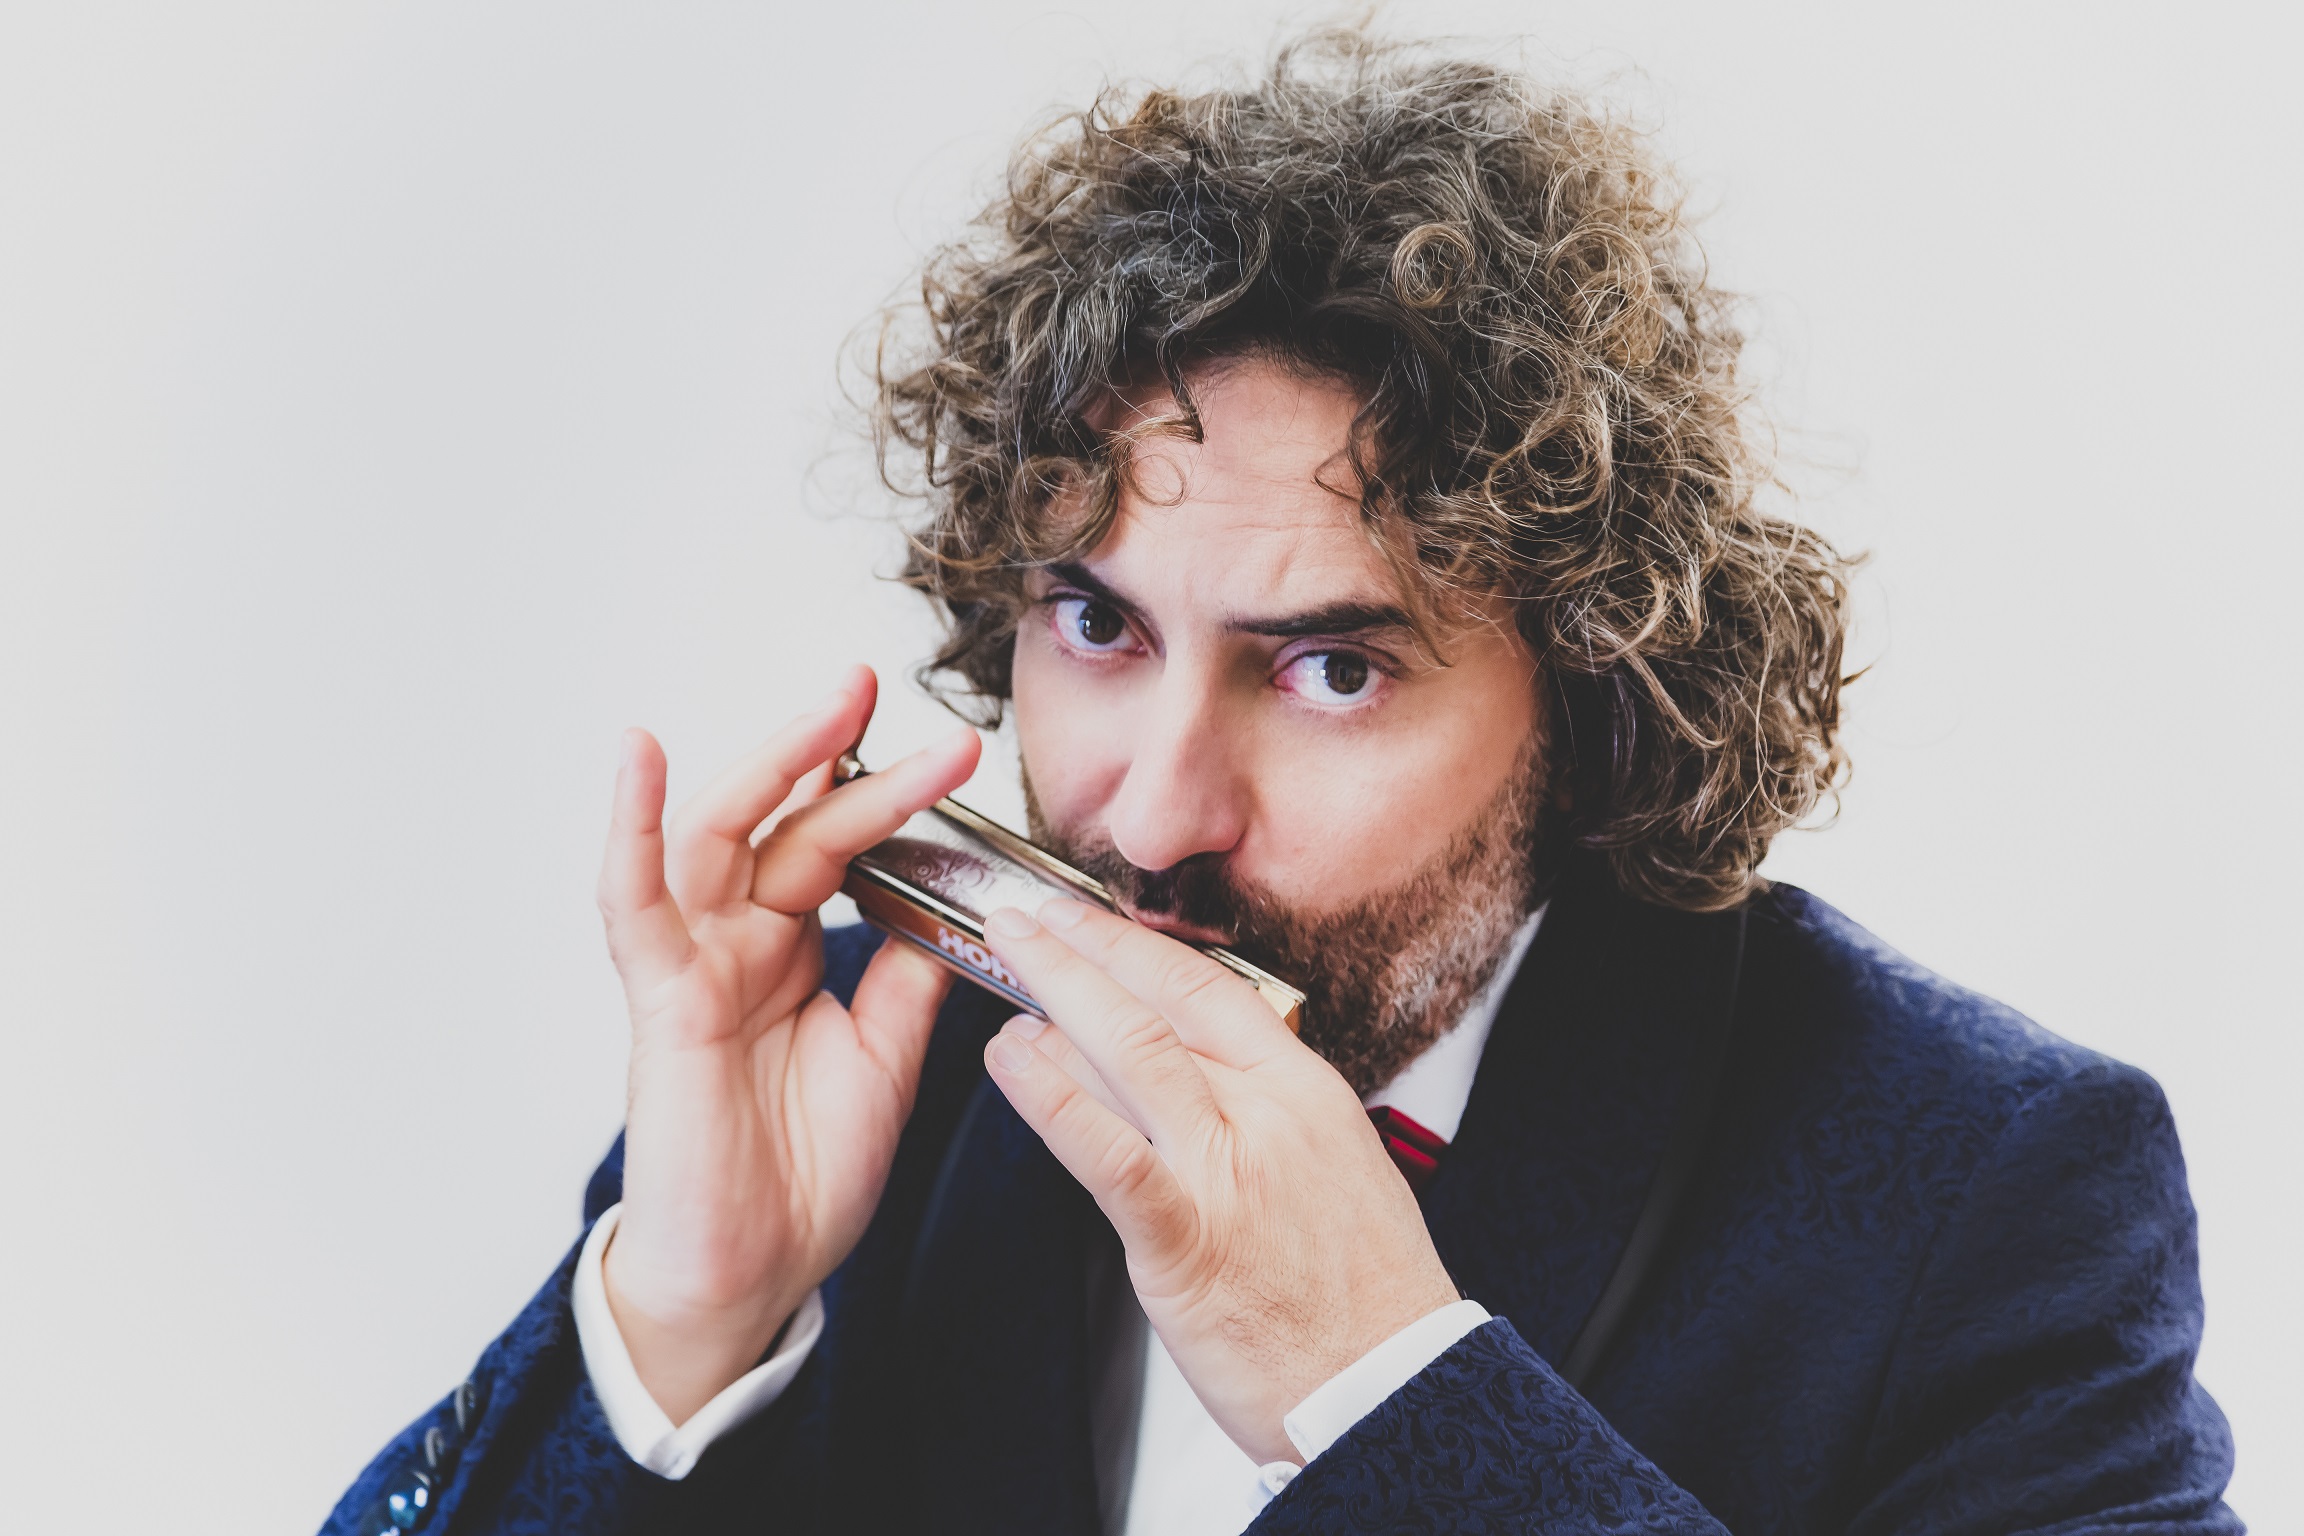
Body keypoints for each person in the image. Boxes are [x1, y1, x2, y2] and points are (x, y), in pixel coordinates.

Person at [324, 31, 2239, 1536]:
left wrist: (1387, 1395)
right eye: (1097, 625)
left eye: (1332, 668)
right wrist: (677, 1321)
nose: (1154, 819)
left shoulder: (1989, 1189)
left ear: (1594, 693)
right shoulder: (860, 1078)